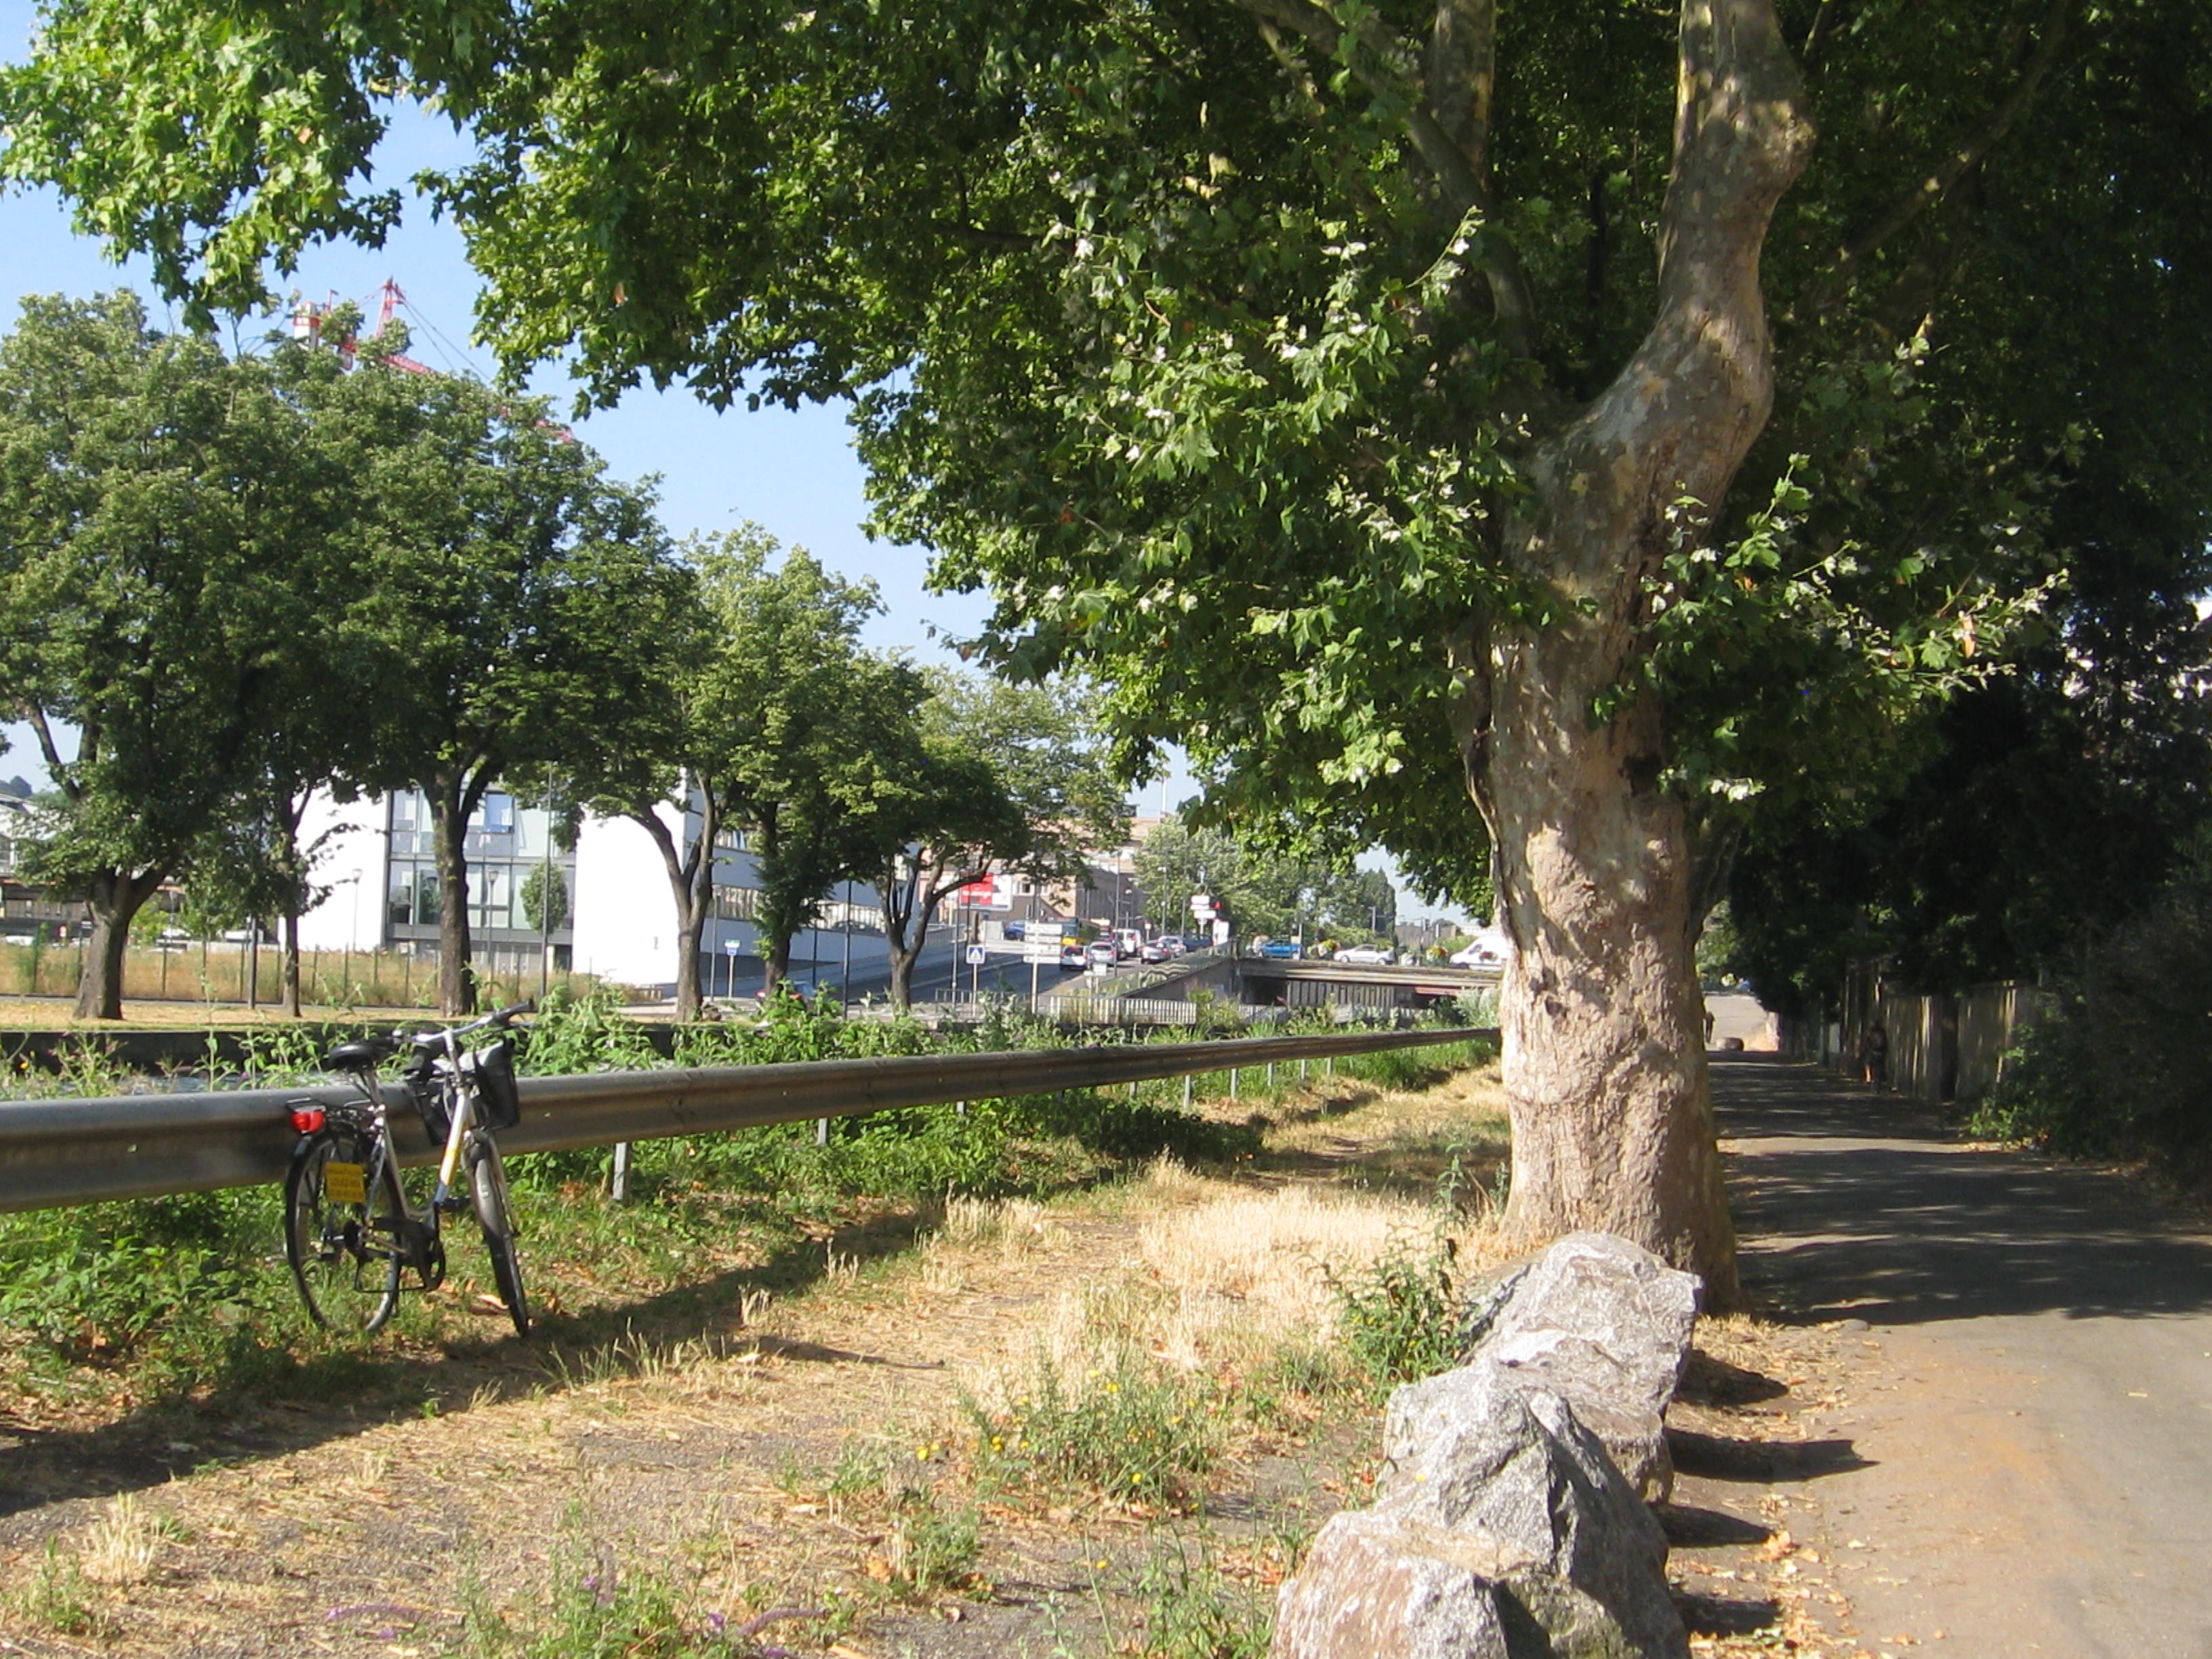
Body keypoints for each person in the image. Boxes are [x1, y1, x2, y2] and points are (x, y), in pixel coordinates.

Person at [1863, 1020, 1889, 1088]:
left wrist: (1865, 1049)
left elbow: (1867, 1042)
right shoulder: (1883, 1032)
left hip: (1873, 1051)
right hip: (1881, 1052)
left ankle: (1868, 1077)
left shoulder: (1871, 1032)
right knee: (1881, 1065)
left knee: (1867, 1063)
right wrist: (1886, 1052)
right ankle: (1883, 1077)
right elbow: (1886, 1043)